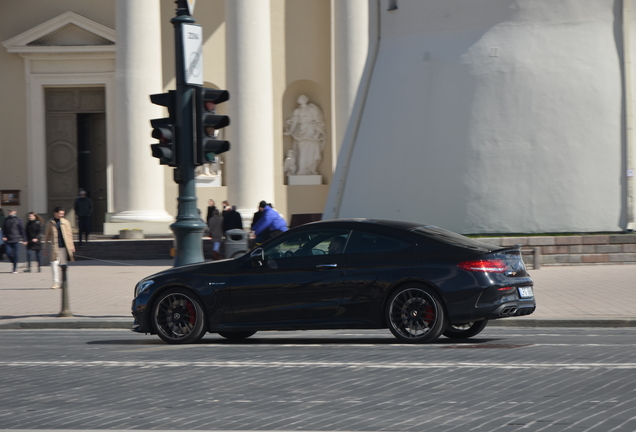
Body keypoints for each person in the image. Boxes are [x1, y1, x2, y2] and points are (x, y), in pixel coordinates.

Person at [284, 95, 327, 175]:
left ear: (307, 99)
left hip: (311, 131)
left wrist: (317, 133)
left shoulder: (312, 108)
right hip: (302, 132)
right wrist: (290, 131)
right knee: (302, 152)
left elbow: (319, 120)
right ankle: (302, 170)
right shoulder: (297, 111)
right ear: (298, 101)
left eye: (304, 98)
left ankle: (311, 169)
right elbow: (295, 123)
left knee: (313, 150)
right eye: (300, 98)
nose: (303, 99)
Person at [44, 206, 75, 289]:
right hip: (55, 247)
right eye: (60, 213)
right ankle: (55, 282)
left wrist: (72, 246)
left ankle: (63, 282)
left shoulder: (66, 222)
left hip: (65, 247)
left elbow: (69, 235)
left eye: (63, 214)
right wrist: (45, 248)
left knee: (63, 265)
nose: (62, 215)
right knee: (54, 263)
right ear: (55, 213)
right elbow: (47, 236)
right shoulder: (50, 223)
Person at [1, 208, 26, 273]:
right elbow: (4, 230)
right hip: (8, 239)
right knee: (7, 252)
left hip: (16, 239)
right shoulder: (6, 220)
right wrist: (4, 236)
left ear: (15, 212)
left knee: (16, 254)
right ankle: (14, 261)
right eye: (9, 211)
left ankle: (15, 268)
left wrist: (24, 239)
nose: (10, 212)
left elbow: (22, 230)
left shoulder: (18, 220)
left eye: (11, 211)